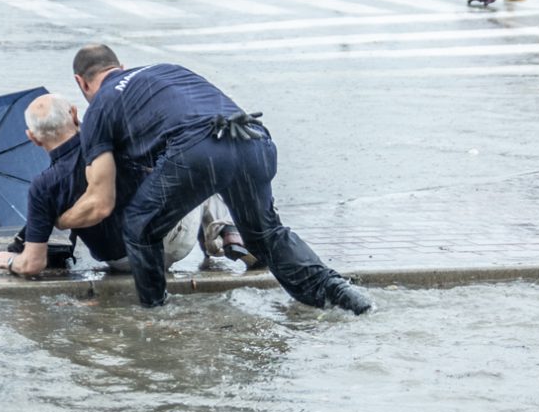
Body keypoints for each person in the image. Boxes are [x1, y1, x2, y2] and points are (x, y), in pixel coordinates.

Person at [58, 45, 373, 314]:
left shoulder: (101, 105)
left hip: (200, 150)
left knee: (140, 225)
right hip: (252, 138)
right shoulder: (166, 69)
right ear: (120, 66)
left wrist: (59, 217)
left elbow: (101, 200)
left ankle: (156, 310)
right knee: (266, 235)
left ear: (80, 82)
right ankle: (341, 296)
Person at [0, 93, 251, 276]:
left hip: (124, 263)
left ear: (32, 138)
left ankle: (221, 236)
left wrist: (10, 260)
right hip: (170, 240)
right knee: (198, 167)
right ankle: (225, 236)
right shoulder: (110, 140)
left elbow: (32, 263)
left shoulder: (43, 187)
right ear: (75, 114)